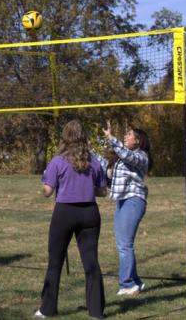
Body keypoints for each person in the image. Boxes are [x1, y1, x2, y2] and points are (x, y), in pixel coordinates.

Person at [35, 120, 107, 319]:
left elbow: (47, 192)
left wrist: (47, 178)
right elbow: (102, 192)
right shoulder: (94, 162)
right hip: (90, 213)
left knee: (55, 263)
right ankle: (96, 312)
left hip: (65, 213)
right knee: (91, 263)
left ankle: (47, 310)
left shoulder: (57, 161)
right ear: (84, 137)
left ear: (65, 137)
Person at [90, 120, 151, 296]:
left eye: (129, 135)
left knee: (125, 245)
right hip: (122, 201)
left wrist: (111, 137)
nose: (125, 136)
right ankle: (135, 282)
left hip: (133, 201)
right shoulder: (122, 157)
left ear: (138, 141)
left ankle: (126, 284)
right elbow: (107, 169)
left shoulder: (141, 156)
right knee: (123, 244)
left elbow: (126, 155)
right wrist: (90, 150)